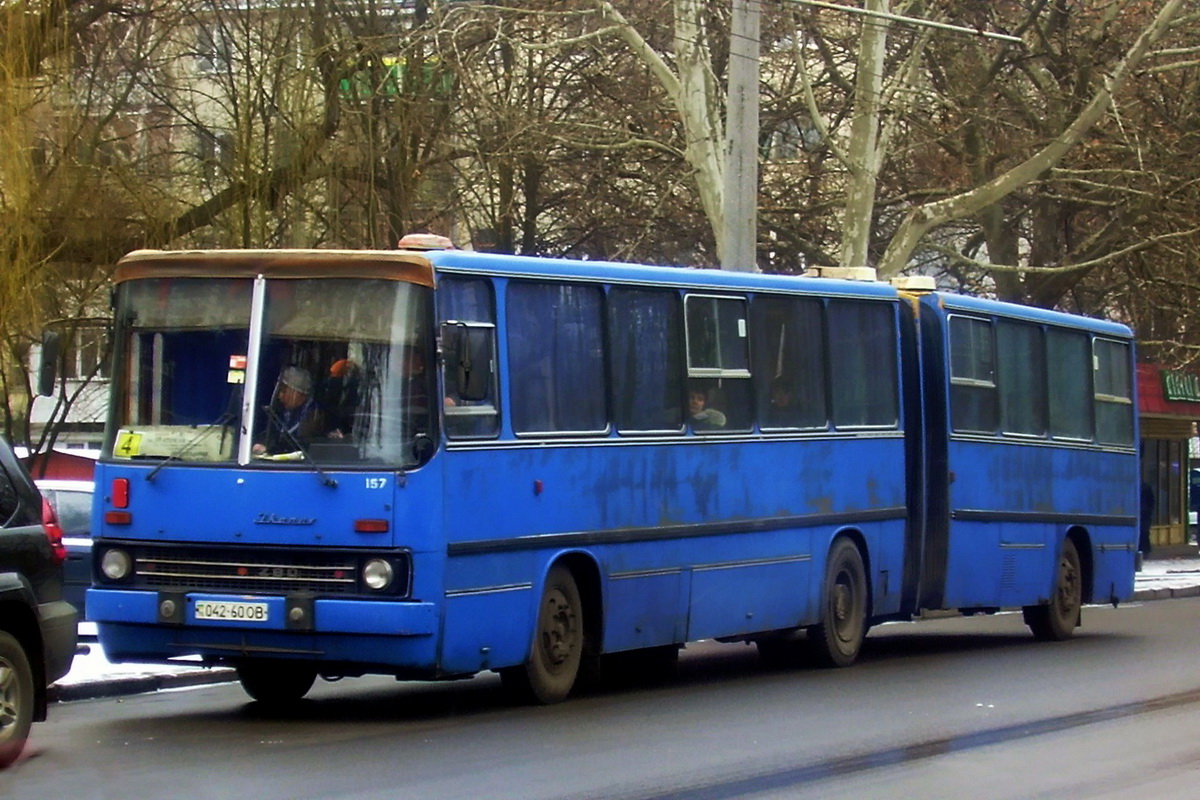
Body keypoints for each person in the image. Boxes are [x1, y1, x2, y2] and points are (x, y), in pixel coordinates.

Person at [254, 366, 324, 455]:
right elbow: (270, 434)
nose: (280, 396)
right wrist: (262, 443)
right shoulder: (279, 412)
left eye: (284, 391)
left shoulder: (317, 416)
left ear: (298, 393)